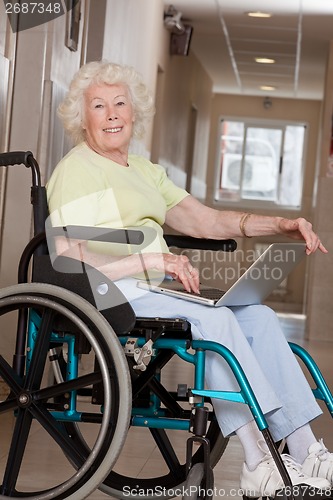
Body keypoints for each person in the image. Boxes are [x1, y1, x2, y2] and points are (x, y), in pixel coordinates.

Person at [46, 60, 333, 497]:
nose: (111, 114)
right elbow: (70, 256)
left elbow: (209, 220)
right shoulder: (77, 169)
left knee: (257, 316)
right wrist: (151, 261)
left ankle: (306, 448)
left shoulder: (143, 171)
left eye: (119, 103)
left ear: (134, 111)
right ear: (81, 118)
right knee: (215, 323)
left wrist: (283, 225)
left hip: (151, 286)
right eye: (98, 105)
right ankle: (258, 461)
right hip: (111, 290)